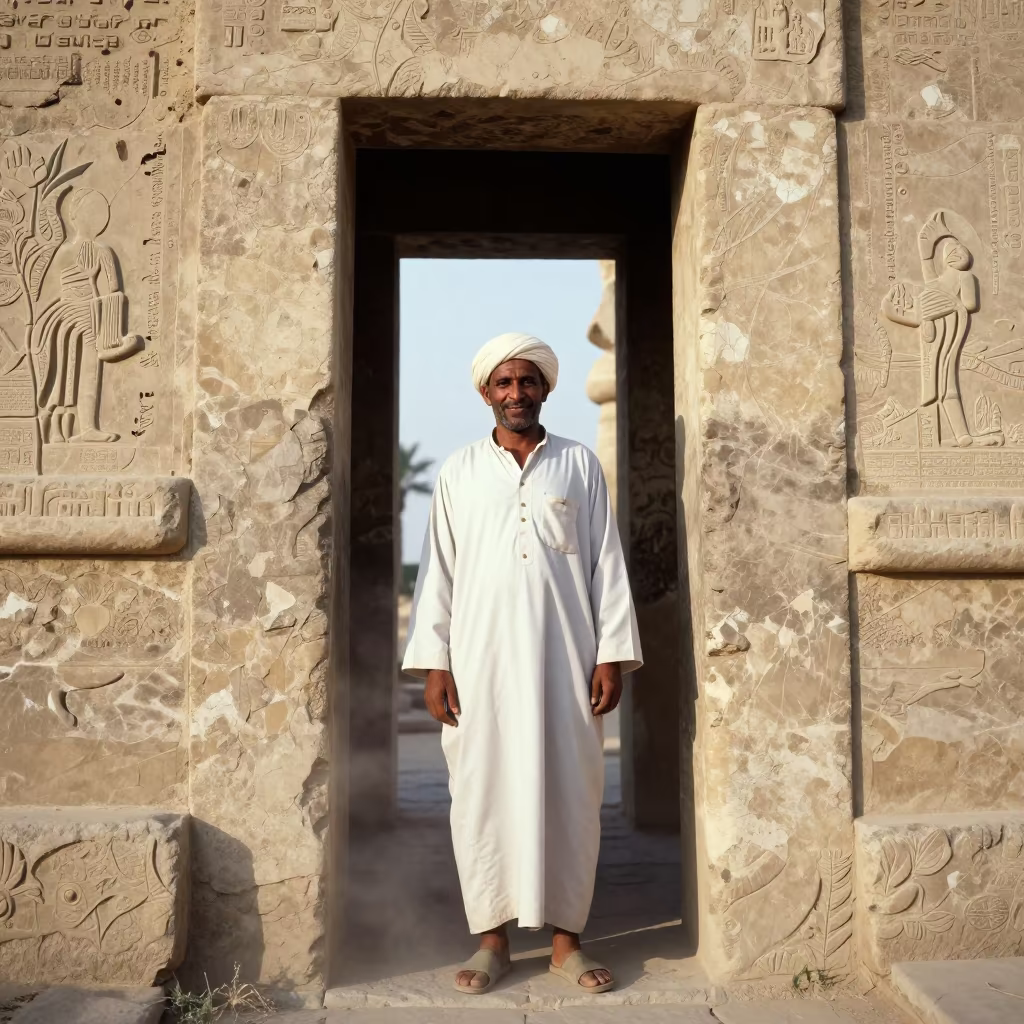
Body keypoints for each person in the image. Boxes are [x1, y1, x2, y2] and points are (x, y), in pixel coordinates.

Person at [402, 332, 642, 996]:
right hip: (480, 667)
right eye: (504, 383)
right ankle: (492, 942)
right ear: (486, 392)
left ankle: (567, 945)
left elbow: (606, 564)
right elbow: (438, 572)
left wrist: (611, 654)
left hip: (566, 664)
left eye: (528, 381)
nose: (516, 393)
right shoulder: (459, 472)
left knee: (571, 795)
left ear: (545, 389)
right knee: (481, 797)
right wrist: (436, 663)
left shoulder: (578, 465)